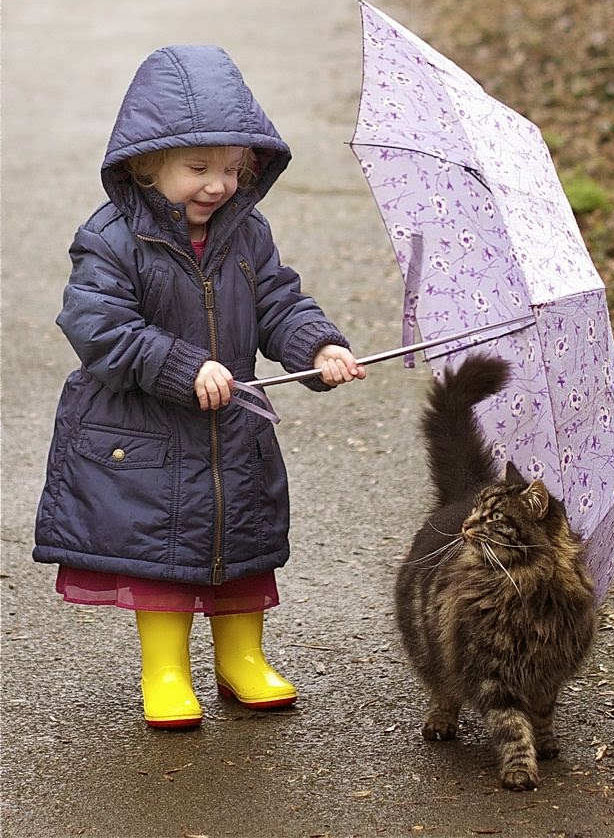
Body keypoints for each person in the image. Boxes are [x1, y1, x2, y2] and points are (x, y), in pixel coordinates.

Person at [34, 44, 366, 729]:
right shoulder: (110, 239)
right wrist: (182, 366)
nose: (216, 185)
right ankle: (165, 670)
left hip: (231, 426)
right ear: (142, 165)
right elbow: (97, 325)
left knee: (239, 545)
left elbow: (278, 301)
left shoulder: (246, 232)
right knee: (161, 554)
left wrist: (321, 345)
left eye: (232, 169)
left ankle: (241, 658)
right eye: (197, 169)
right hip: (145, 430)